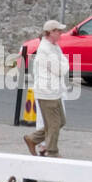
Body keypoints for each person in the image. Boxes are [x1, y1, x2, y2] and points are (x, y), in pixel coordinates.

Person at [25, 19, 69, 157]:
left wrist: (63, 63)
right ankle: (52, 151)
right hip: (47, 92)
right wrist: (64, 63)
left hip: (53, 91)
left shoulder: (54, 46)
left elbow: (62, 64)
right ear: (51, 32)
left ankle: (33, 139)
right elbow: (60, 69)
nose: (61, 33)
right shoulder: (46, 49)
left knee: (60, 121)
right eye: (58, 31)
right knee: (54, 124)